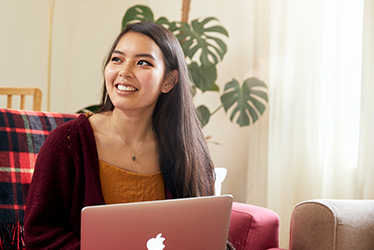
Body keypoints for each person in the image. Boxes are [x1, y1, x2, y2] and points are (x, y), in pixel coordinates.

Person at [24, 21, 226, 249]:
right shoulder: (67, 143)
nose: (124, 71)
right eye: (117, 59)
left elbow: (200, 230)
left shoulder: (186, 149)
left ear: (168, 81)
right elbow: (38, 234)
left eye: (142, 62)